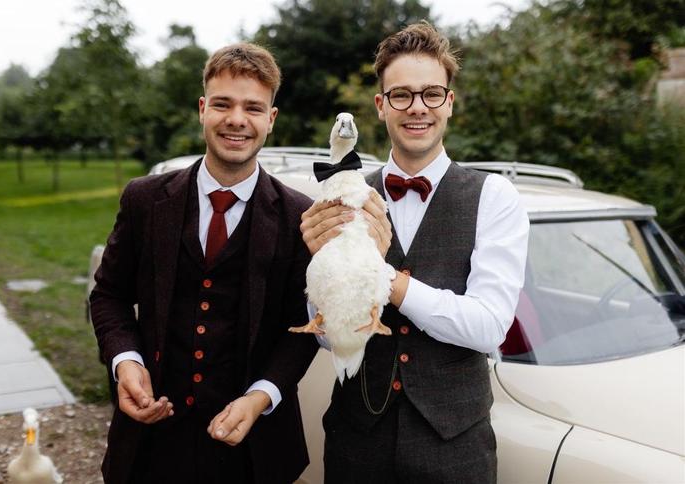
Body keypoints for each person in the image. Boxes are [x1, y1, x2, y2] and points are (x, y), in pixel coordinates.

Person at [300, 22, 529, 483]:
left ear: (450, 102)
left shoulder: (494, 196)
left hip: (455, 450)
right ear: (381, 105)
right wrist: (322, 272)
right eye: (401, 95)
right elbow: (327, 339)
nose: (418, 107)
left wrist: (384, 278)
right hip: (355, 443)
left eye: (431, 94)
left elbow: (489, 327)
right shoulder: (344, 195)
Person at [90, 42, 320, 484]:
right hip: (151, 443)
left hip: (254, 452)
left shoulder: (299, 215)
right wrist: (126, 361)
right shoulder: (144, 199)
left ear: (271, 119)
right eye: (222, 104)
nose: (237, 119)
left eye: (253, 107)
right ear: (202, 109)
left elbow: (303, 327)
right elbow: (109, 296)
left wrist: (260, 396)